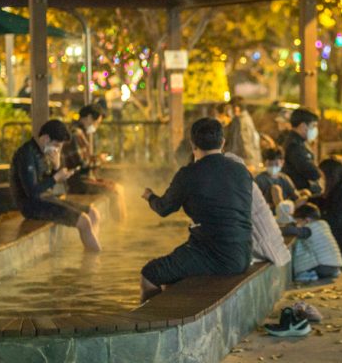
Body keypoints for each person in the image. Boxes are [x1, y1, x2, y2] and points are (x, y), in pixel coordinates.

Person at [140, 118, 253, 303]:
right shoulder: (241, 170)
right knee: (174, 272)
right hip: (243, 253)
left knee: (150, 274)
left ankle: (150, 321)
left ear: (192, 144)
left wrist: (150, 196)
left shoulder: (189, 174)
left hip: (214, 254)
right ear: (223, 142)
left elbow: (163, 208)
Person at [10, 120, 101, 251]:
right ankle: (95, 261)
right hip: (31, 206)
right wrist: (56, 177)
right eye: (57, 145)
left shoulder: (43, 153)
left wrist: (56, 167)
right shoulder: (27, 154)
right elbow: (32, 192)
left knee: (93, 213)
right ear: (46, 138)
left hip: (45, 199)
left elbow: (48, 186)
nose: (58, 150)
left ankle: (92, 247)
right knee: (84, 221)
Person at [62, 103, 127, 222]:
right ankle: (120, 228)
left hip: (85, 179)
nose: (97, 126)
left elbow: (82, 160)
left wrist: (97, 158)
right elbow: (82, 164)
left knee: (119, 188)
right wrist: (99, 159)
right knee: (115, 192)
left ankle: (122, 225)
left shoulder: (79, 133)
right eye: (97, 122)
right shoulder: (76, 134)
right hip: (79, 182)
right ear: (89, 118)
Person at [282, 203, 342, 282]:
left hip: (321, 266)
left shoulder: (308, 229)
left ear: (307, 220)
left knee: (301, 275)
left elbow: (290, 231)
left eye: (298, 221)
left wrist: (284, 227)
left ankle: (311, 274)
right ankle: (331, 273)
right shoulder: (323, 225)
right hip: (334, 265)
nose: (297, 224)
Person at [282, 108, 323, 194]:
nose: (315, 130)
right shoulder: (295, 145)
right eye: (313, 126)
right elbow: (310, 171)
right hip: (300, 192)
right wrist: (323, 173)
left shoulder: (298, 141)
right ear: (303, 126)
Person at [225, 96, 262, 171]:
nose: (228, 111)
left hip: (245, 164)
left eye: (230, 108)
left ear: (236, 108)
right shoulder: (237, 120)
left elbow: (246, 145)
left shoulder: (243, 123)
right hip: (238, 163)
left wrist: (250, 164)